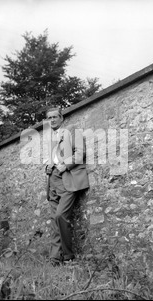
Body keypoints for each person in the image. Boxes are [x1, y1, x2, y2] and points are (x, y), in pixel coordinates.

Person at [44, 107, 89, 266]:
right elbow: (50, 160)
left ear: (61, 118)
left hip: (68, 177)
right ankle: (55, 258)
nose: (52, 120)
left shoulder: (72, 131)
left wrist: (66, 165)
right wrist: (48, 168)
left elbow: (80, 152)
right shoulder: (50, 139)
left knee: (60, 216)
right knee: (54, 220)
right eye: (49, 118)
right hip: (52, 181)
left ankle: (68, 256)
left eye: (55, 116)